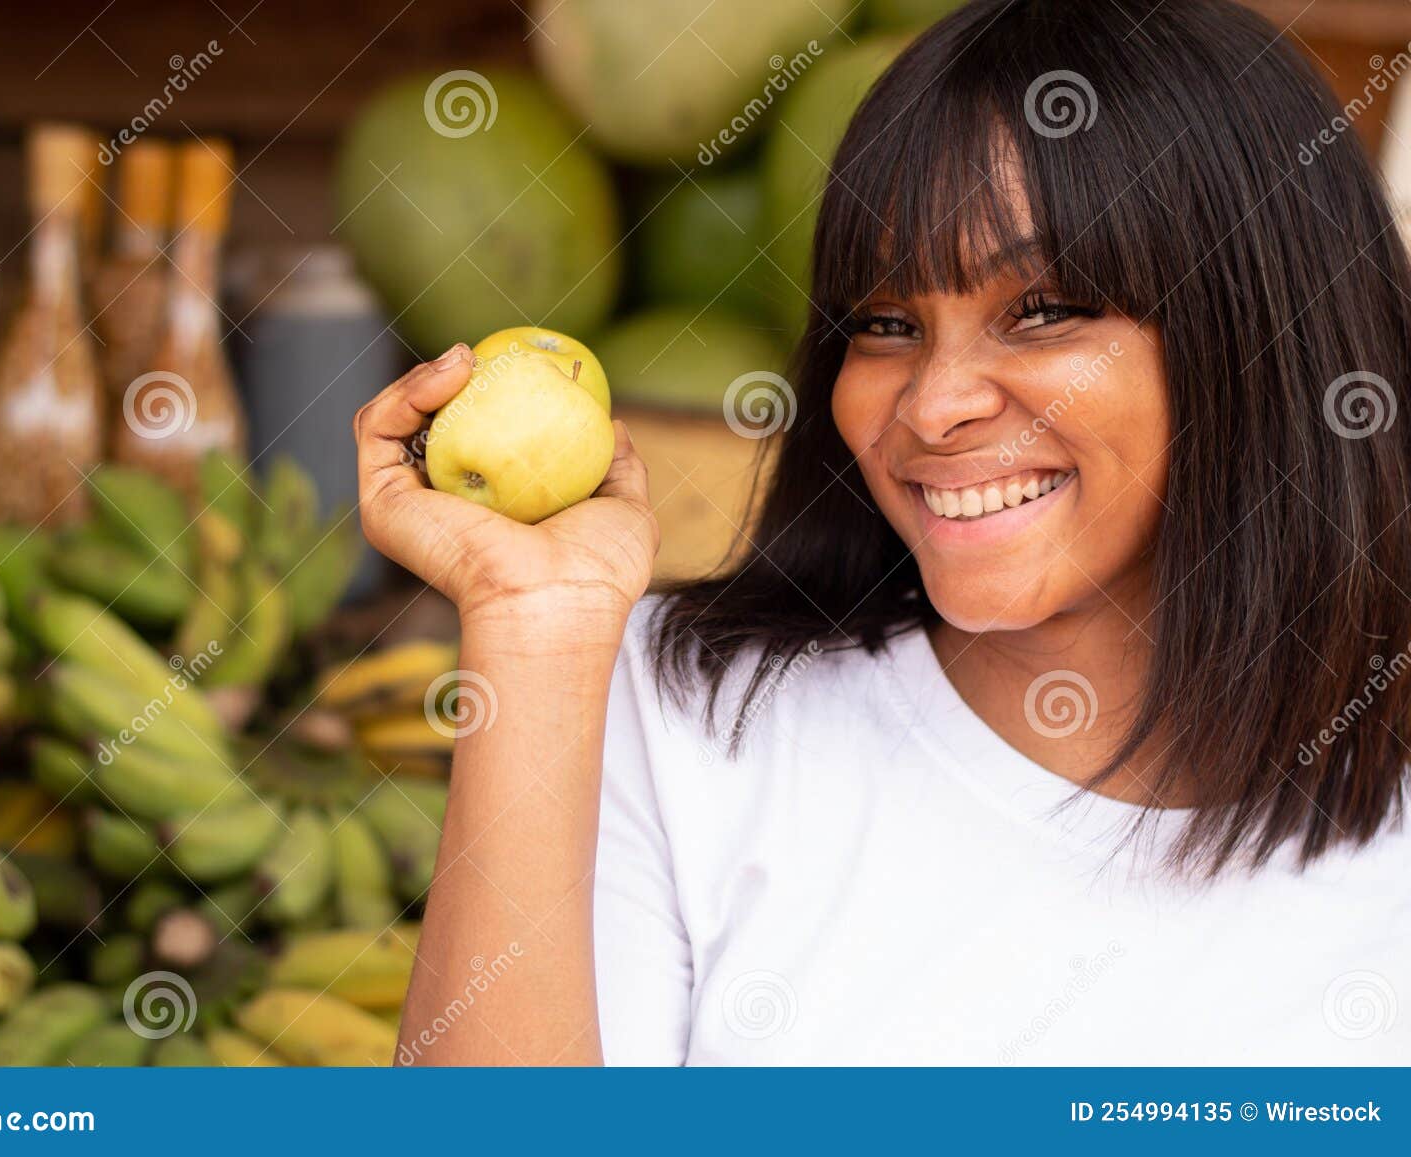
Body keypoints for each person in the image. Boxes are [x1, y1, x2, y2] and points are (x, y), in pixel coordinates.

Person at [354, 0, 1411, 1065]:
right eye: (884, 324)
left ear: (1262, 325)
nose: (931, 403)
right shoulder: (688, 716)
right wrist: (533, 633)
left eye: (1041, 310)